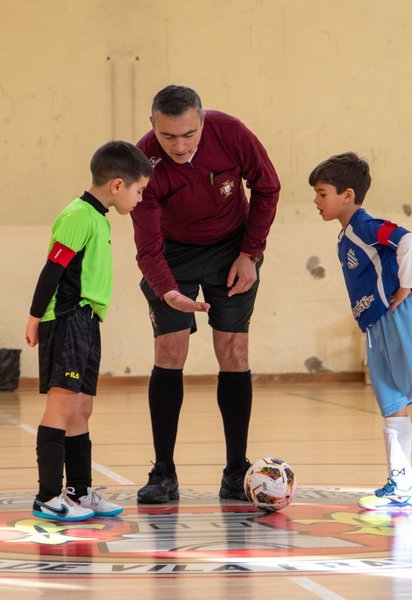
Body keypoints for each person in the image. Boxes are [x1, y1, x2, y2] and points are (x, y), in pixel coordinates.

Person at [131, 85, 281, 504]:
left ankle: (236, 471)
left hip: (233, 248)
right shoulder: (144, 161)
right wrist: (167, 290)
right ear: (152, 127)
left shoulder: (231, 132)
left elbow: (267, 187)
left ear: (202, 122)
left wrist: (251, 253)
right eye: (168, 136)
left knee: (234, 352)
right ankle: (163, 472)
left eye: (189, 134)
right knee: (169, 352)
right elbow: (147, 246)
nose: (180, 146)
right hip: (173, 254)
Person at [25, 140, 153, 521]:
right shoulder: (78, 215)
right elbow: (53, 269)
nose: (140, 198)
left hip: (86, 319)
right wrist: (34, 316)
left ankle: (79, 492)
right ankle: (48, 496)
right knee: (62, 403)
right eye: (139, 190)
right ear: (117, 185)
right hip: (66, 317)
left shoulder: (98, 217)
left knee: (82, 406)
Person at [309, 151, 412, 510]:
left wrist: (406, 287)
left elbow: (408, 240)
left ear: (347, 195)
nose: (316, 201)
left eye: (322, 193)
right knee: (393, 403)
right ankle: (401, 485)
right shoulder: (345, 236)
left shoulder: (366, 226)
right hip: (374, 326)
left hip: (398, 318)